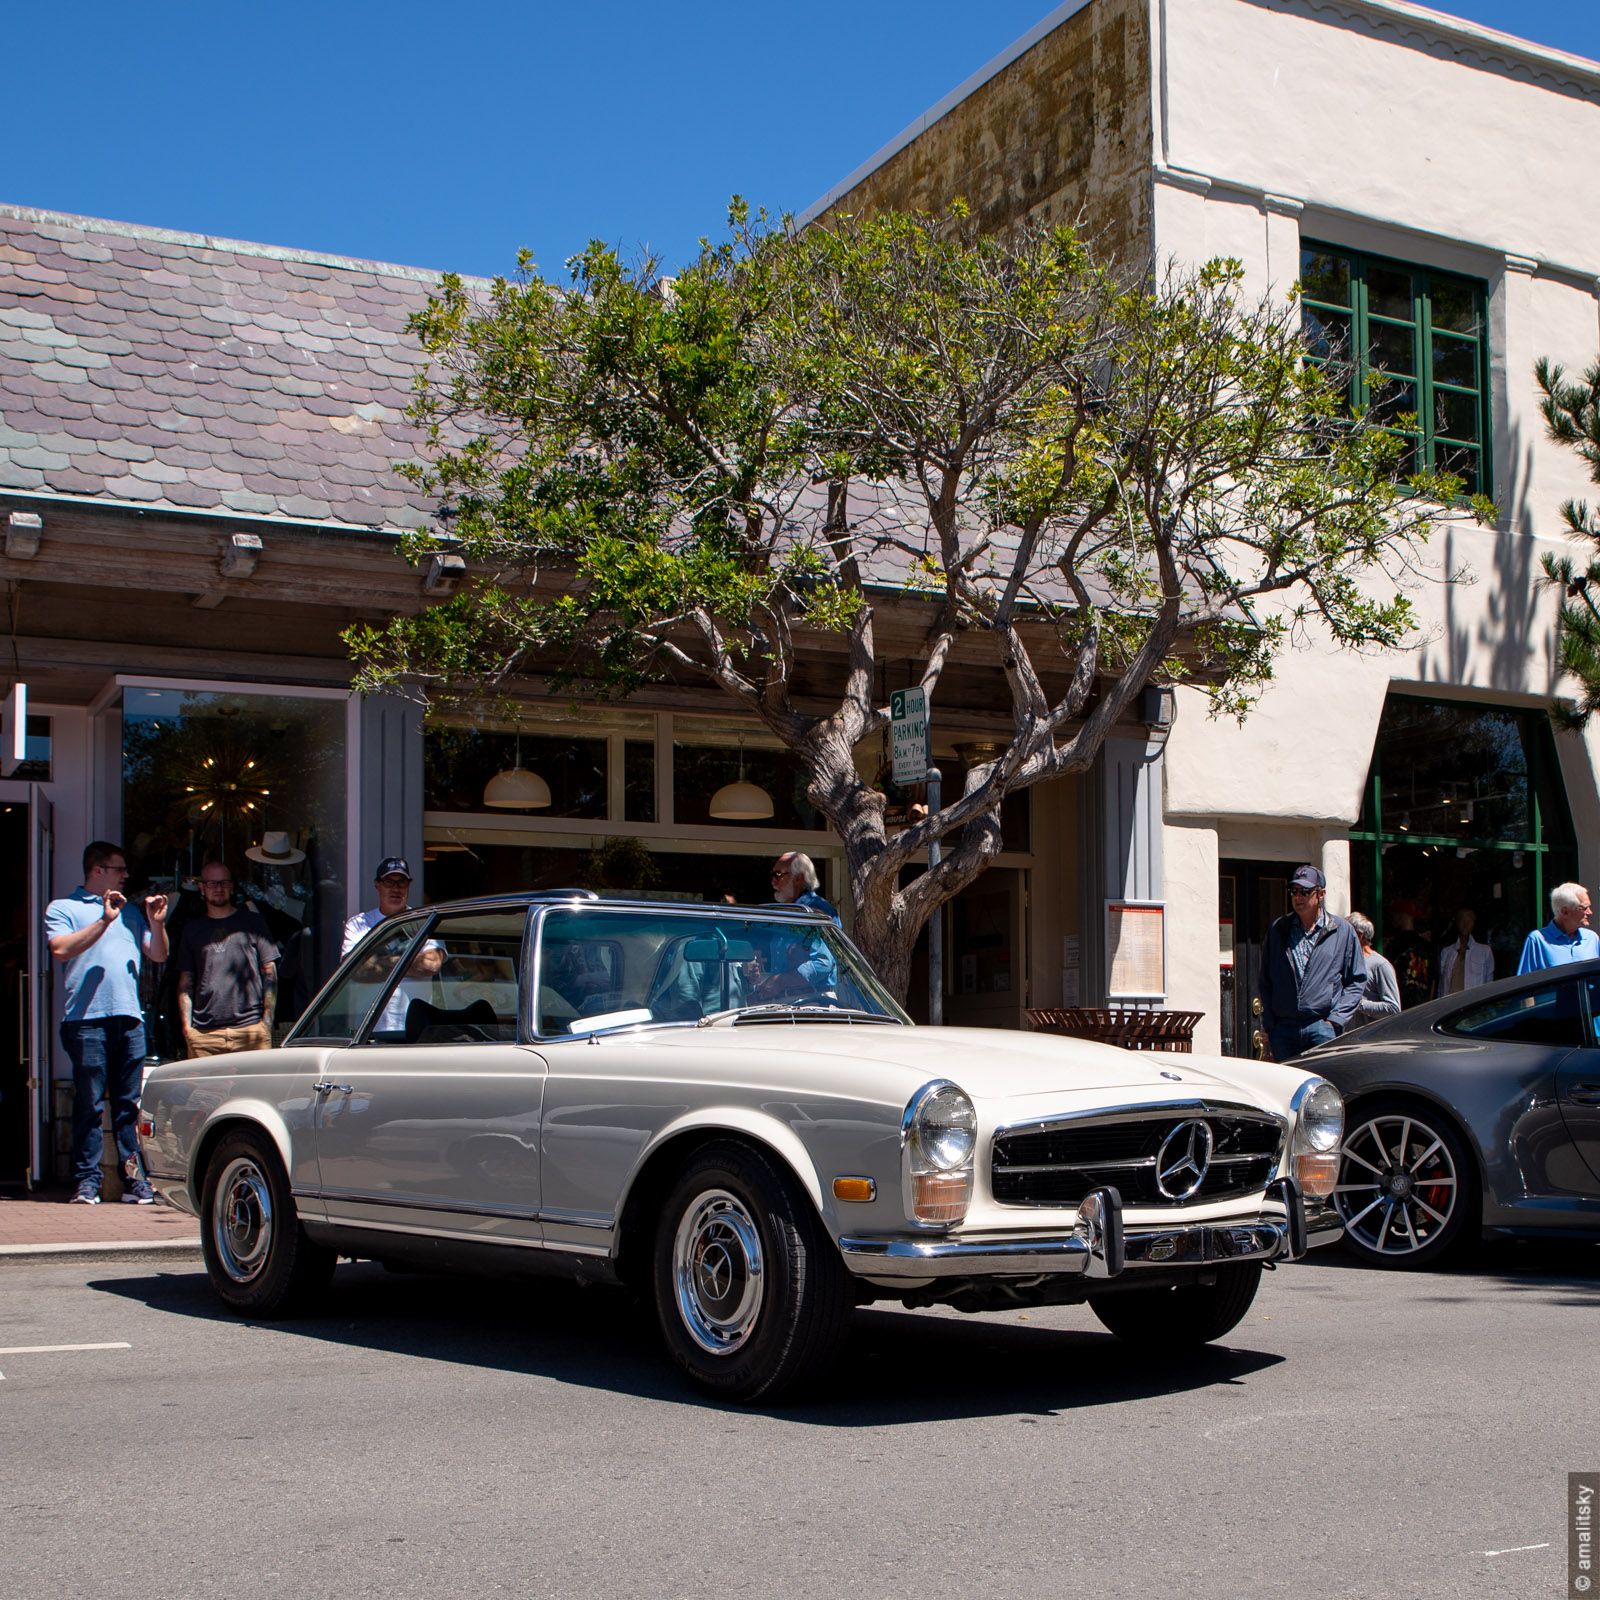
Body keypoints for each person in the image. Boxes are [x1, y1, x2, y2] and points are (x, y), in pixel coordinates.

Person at [44, 841, 169, 1204]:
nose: (126, 875)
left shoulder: (130, 913)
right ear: (98, 870)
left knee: (128, 1105)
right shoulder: (63, 907)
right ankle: (87, 1183)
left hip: (129, 1018)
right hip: (86, 1020)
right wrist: (103, 920)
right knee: (91, 1103)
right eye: (119, 869)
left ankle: (134, 1181)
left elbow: (158, 954)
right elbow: (60, 949)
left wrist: (156, 924)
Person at [1257, 864, 1366, 1062]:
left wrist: (1335, 1021)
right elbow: (1266, 980)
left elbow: (1356, 980)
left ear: (1321, 894)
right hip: (1284, 1030)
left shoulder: (1342, 931)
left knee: (1322, 1086)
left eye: (1305, 892)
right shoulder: (1279, 929)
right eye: (1294, 891)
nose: (1297, 897)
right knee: (1285, 1088)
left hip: (1321, 1027)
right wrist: (1271, 1024)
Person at [174, 860, 279, 1057]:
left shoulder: (253, 922)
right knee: (205, 1089)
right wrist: (188, 1029)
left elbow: (270, 972)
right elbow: (185, 983)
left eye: (224, 883)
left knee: (253, 1088)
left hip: (250, 1030)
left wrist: (266, 1022)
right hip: (205, 1034)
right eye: (212, 883)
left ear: (232, 886)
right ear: (202, 888)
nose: (218, 888)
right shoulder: (192, 930)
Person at [341, 856, 442, 1034]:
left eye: (401, 882)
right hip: (367, 1031)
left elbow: (430, 964)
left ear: (408, 885)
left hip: (416, 1030)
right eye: (389, 882)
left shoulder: (425, 921)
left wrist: (380, 961)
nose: (396, 888)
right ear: (377, 885)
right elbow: (355, 971)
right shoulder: (358, 924)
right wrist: (411, 962)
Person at [754, 851, 839, 1000]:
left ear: (798, 878)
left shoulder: (817, 910)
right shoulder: (788, 911)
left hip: (815, 1001)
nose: (773, 882)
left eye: (778, 875)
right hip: (786, 1001)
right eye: (772, 875)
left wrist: (780, 981)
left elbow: (823, 963)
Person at [1516, 882, 1599, 972]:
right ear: (1565, 912)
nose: (1590, 912)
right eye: (1584, 908)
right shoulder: (1538, 940)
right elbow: (1526, 981)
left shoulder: (1592, 938)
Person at [1346, 912, 1400, 1030]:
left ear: (1359, 936)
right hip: (1345, 1040)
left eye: (1345, 933)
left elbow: (1393, 1008)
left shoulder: (1380, 965)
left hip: (1369, 1040)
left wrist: (1357, 1003)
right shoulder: (1344, 963)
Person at [1436, 907, 1494, 995]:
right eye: (1462, 919)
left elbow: (1489, 984)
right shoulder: (1446, 952)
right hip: (1450, 1004)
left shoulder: (1484, 951)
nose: (1465, 924)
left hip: (1472, 1004)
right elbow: (1441, 986)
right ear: (1457, 922)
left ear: (1473, 922)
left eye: (1469, 920)